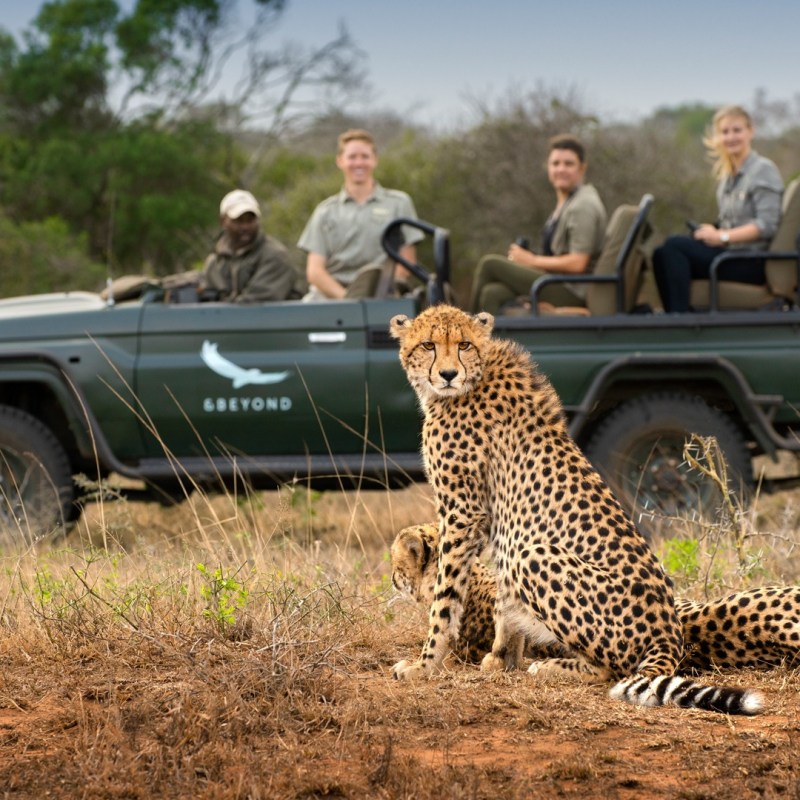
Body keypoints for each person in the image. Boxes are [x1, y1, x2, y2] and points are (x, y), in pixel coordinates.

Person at [653, 105, 784, 313]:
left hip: (750, 260)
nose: (731, 137)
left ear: (751, 131)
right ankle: (676, 316)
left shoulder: (762, 170)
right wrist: (711, 231)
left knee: (674, 247)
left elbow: (767, 225)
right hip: (729, 253)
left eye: (737, 130)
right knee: (660, 253)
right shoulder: (728, 175)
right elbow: (730, 221)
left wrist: (722, 236)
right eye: (725, 132)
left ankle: (680, 322)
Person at [469, 134, 607, 315]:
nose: (561, 169)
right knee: (492, 293)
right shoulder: (567, 203)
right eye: (556, 163)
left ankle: (462, 334)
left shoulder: (583, 205)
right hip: (557, 282)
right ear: (548, 168)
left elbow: (578, 263)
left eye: (569, 164)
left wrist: (531, 260)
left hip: (573, 291)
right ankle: (485, 340)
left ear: (582, 168)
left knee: (490, 264)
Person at [297, 129, 424, 301]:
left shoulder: (399, 203)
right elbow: (315, 271)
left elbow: (406, 263)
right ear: (340, 161)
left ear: (375, 160)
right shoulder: (325, 211)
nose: (359, 163)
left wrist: (380, 295)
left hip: (383, 294)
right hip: (333, 298)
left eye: (365, 156)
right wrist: (348, 301)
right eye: (352, 157)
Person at [200, 189, 304, 303]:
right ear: (223, 221)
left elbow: (255, 303)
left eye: (250, 220)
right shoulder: (215, 262)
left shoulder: (275, 256)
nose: (245, 227)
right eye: (238, 221)